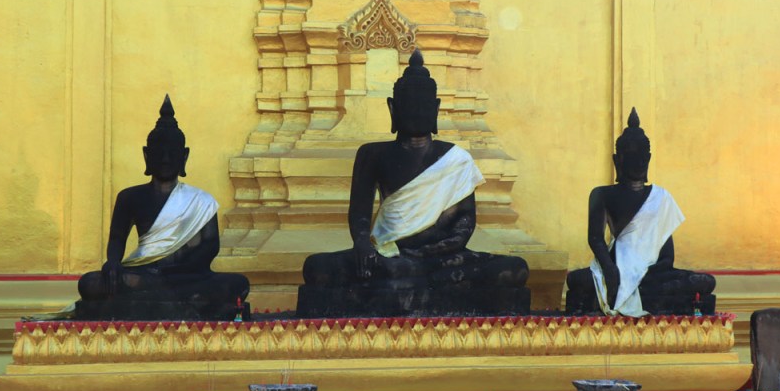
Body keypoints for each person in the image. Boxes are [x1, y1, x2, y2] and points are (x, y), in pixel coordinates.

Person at [298, 50, 529, 316]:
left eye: (424, 104)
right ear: (392, 108)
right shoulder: (372, 154)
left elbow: (465, 224)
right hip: (387, 254)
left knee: (515, 270)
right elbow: (359, 214)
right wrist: (362, 244)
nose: (417, 110)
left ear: (436, 108)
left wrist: (429, 253)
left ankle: (408, 277)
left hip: (442, 260)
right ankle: (406, 276)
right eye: (410, 103)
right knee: (316, 269)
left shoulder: (456, 159)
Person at [76, 95, 248, 320]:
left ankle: (154, 290)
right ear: (147, 155)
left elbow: (210, 246)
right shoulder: (130, 197)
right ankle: (162, 292)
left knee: (238, 284)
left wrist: (172, 269)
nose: (166, 159)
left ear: (184, 156)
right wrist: (113, 263)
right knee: (88, 283)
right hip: (145, 272)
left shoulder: (201, 200)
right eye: (159, 153)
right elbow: (117, 238)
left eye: (172, 153)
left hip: (183, 276)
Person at [565, 109, 715, 316]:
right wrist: (610, 270)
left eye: (643, 156)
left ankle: (641, 290)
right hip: (616, 267)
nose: (639, 161)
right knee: (577, 280)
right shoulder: (602, 194)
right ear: (617, 160)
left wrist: (649, 272)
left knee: (705, 282)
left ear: (649, 158)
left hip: (651, 275)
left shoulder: (660, 198)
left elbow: (667, 256)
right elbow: (595, 238)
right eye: (632, 156)